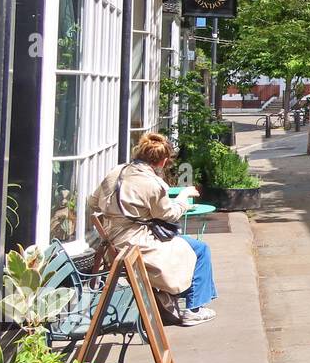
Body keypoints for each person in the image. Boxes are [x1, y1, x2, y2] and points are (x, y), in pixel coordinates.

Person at [86, 132, 219, 327]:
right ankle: (194, 309)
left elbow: (93, 202)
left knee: (188, 246)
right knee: (200, 249)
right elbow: (170, 214)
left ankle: (176, 300)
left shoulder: (116, 172)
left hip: (113, 243)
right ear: (163, 162)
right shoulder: (153, 184)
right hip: (139, 244)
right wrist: (183, 197)